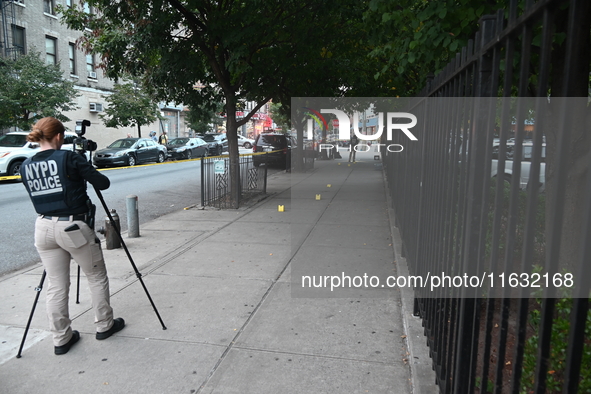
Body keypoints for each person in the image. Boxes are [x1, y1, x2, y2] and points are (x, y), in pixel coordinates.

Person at [21, 117, 125, 355]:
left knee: (56, 285)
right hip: (72, 228)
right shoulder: (69, 158)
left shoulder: (26, 165)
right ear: (58, 137)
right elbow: (103, 183)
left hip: (43, 228)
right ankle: (104, 325)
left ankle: (61, 339)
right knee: (96, 276)